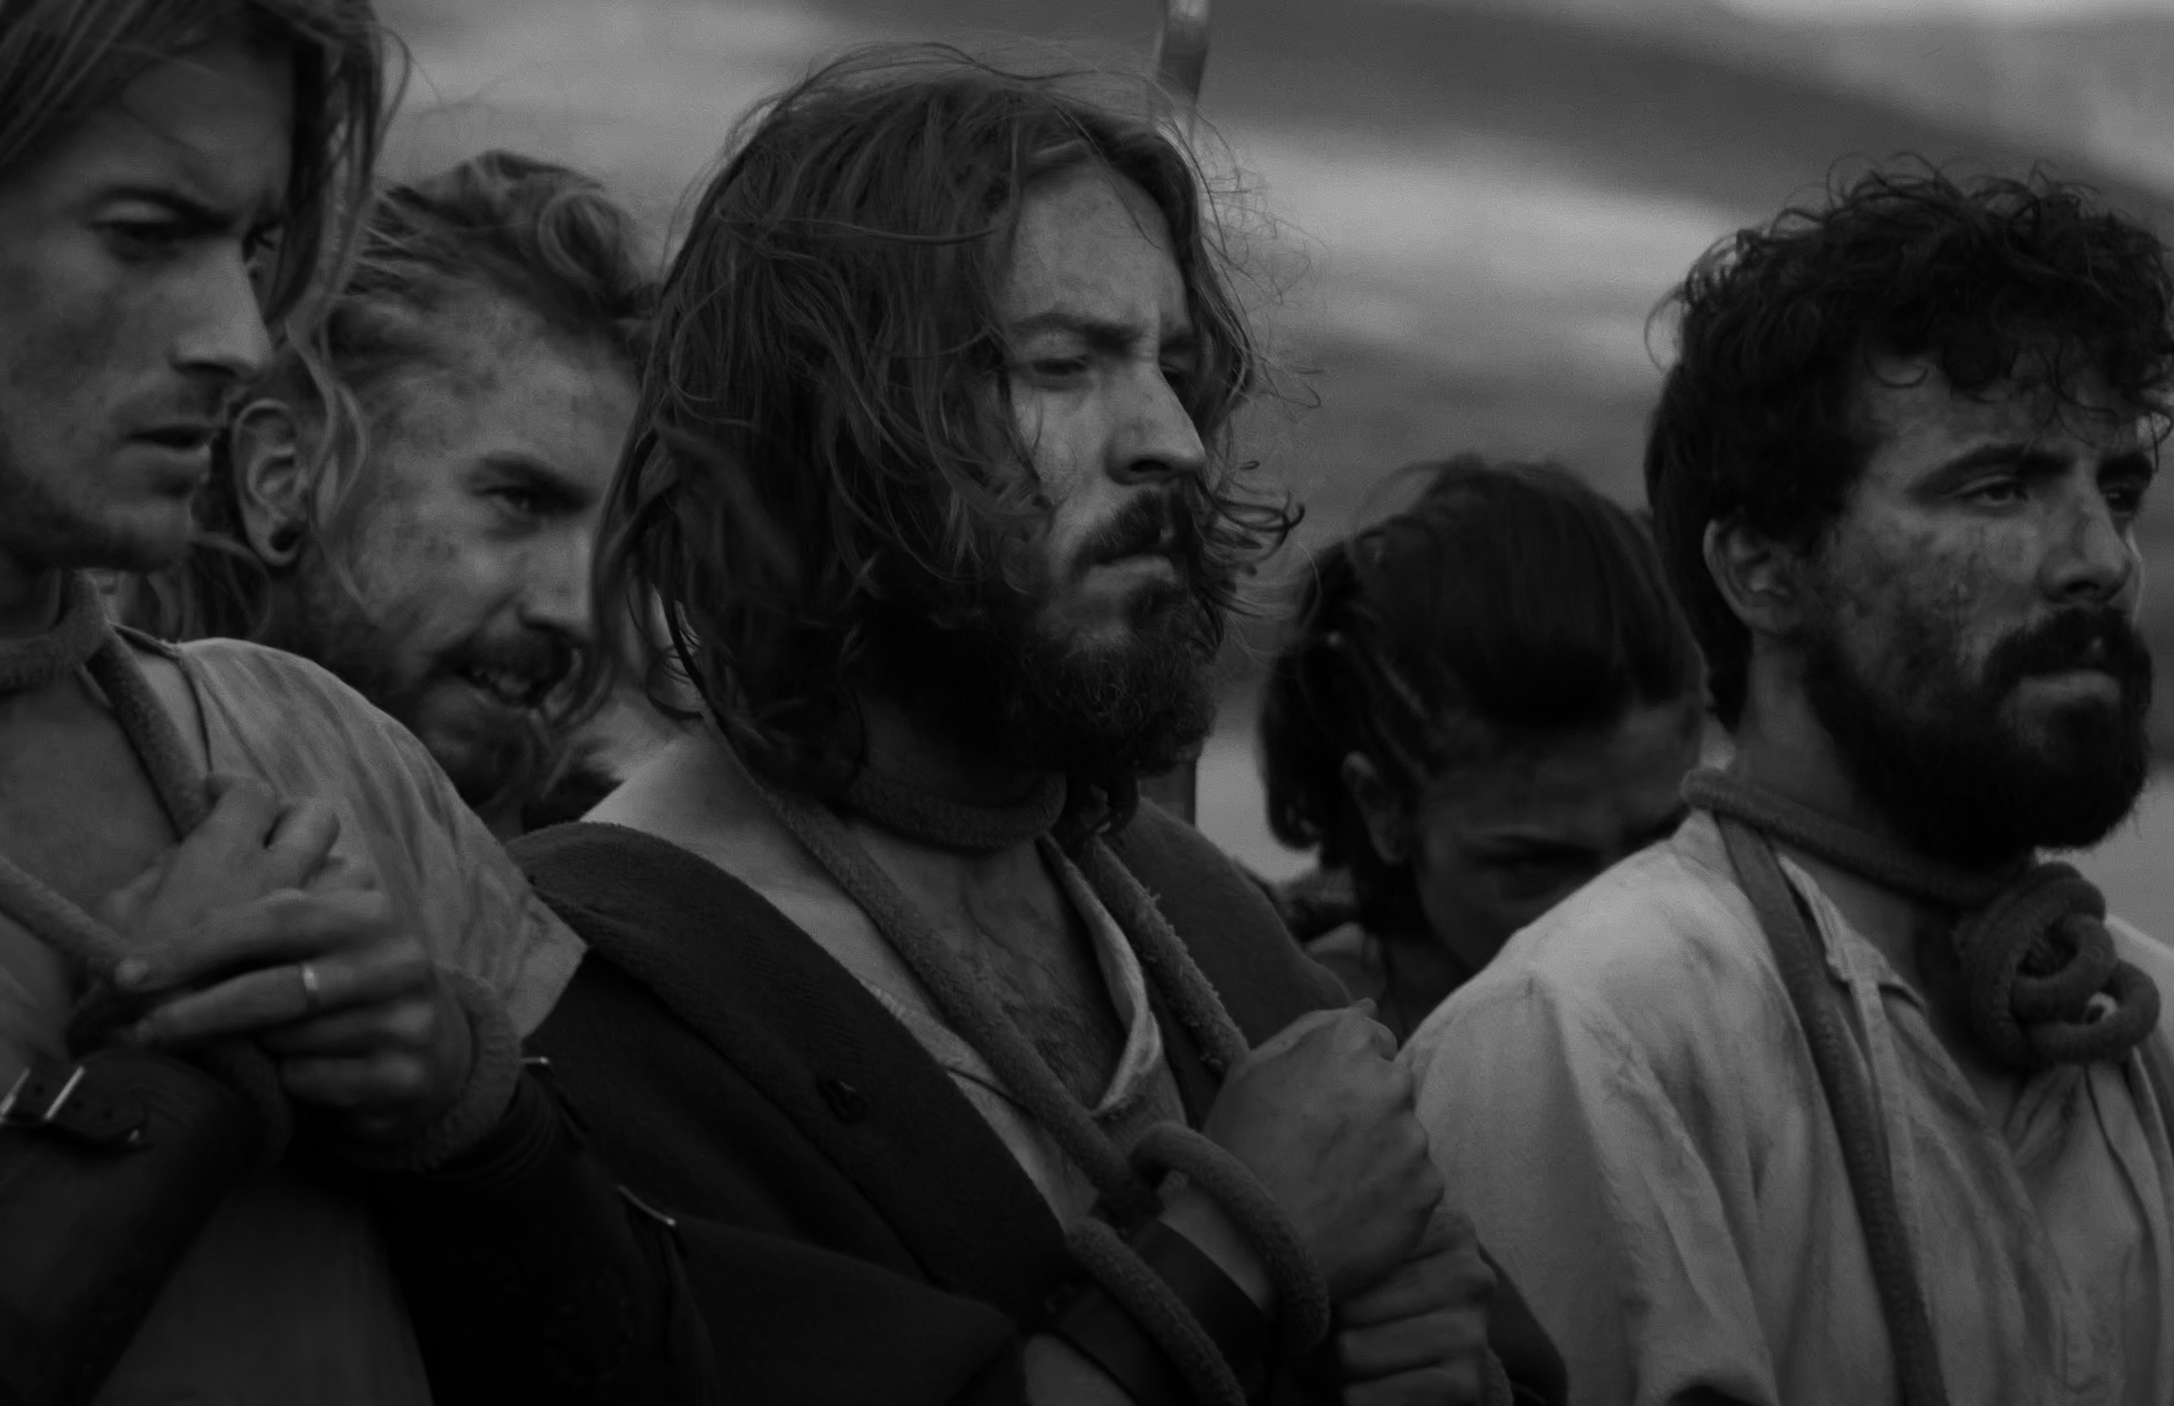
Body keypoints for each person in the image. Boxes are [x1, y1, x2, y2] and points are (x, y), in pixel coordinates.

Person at [511, 45, 1565, 1406]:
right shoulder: (602, 989)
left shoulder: (1196, 912)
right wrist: (1239, 1240)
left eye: (1175, 366)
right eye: (1066, 364)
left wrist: (1449, 1365)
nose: (1174, 440)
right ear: (820, 436)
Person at [0, 3, 701, 1400]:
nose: (236, 332)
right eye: (147, 232)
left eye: (258, 247)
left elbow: (658, 1372)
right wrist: (136, 1122)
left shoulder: (327, 744)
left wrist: (469, 1113)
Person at [1405, 166, 2174, 1403]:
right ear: (1762, 568)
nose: (2098, 558)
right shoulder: (1588, 1042)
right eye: (1997, 487)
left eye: (2116, 489)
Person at [124, 148, 652, 837]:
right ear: (283, 478)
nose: (581, 611)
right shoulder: (68, 824)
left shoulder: (615, 891)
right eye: (521, 501)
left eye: (618, 536)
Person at [1257, 455, 1703, 1039]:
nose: (1618, 919)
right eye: (1536, 864)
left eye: (1662, 845)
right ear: (1384, 808)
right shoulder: (1299, 1059)